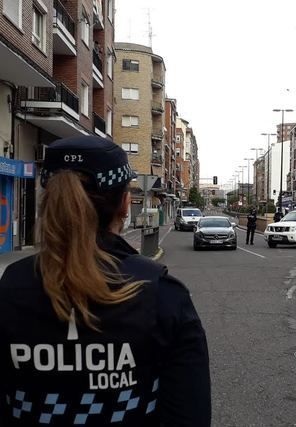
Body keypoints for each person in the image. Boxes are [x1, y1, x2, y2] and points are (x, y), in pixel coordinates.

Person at [0, 136, 211, 426]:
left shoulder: (9, 288)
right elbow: (190, 416)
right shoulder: (163, 294)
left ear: (48, 199)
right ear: (125, 204)